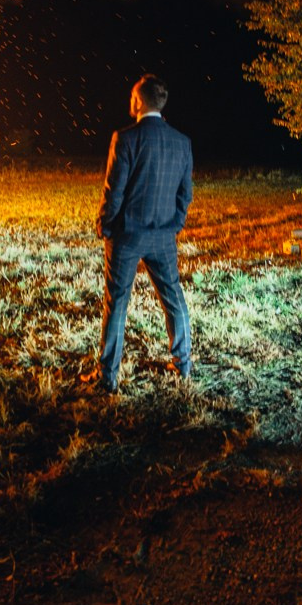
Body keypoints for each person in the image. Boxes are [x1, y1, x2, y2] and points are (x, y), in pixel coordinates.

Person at [83, 74, 194, 393]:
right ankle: (182, 363)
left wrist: (105, 224)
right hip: (162, 235)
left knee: (116, 302)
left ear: (139, 101)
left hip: (127, 235)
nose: (129, 101)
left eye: (132, 96)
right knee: (173, 298)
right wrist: (175, 224)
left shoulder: (126, 138)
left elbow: (113, 189)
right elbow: (185, 193)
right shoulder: (181, 141)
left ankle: (108, 376)